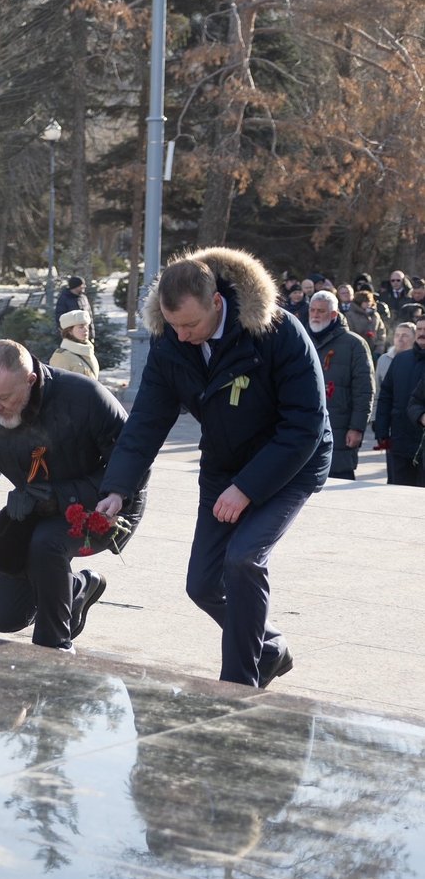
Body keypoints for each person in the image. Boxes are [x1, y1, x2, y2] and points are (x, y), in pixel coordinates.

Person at [98, 247, 328, 687]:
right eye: (174, 325)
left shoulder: (276, 331)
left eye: (190, 325)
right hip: (224, 463)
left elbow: (305, 426)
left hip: (290, 464)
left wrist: (247, 488)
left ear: (217, 303)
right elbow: (146, 421)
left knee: (243, 559)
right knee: (202, 585)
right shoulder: (170, 343)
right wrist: (117, 488)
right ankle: (267, 648)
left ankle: (238, 684)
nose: (182, 336)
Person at [0, 339, 139, 653]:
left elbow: (131, 459)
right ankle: (77, 587)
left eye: (3, 398)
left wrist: (66, 496)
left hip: (104, 504)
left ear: (30, 380)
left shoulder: (84, 396)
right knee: (4, 619)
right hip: (34, 508)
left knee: (47, 543)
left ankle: (55, 645)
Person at [308, 291, 373, 480]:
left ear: (334, 314)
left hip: (341, 428)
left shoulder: (355, 344)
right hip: (306, 428)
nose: (315, 315)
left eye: (321, 311)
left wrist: (357, 427)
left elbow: (364, 390)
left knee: (339, 481)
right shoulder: (302, 340)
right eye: (312, 310)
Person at [388, 323, 425, 486]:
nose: (422, 333)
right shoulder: (401, 359)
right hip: (402, 436)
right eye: (420, 329)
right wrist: (421, 416)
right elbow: (414, 401)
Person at [49, 308, 99, 380]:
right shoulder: (61, 356)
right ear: (69, 331)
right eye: (81, 327)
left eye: (87, 326)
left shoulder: (88, 351)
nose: (86, 330)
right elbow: (59, 384)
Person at [379, 320, 416, 385]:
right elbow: (378, 387)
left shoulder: (419, 360)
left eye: (405, 336)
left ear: (414, 339)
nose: (400, 339)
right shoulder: (383, 359)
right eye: (397, 335)